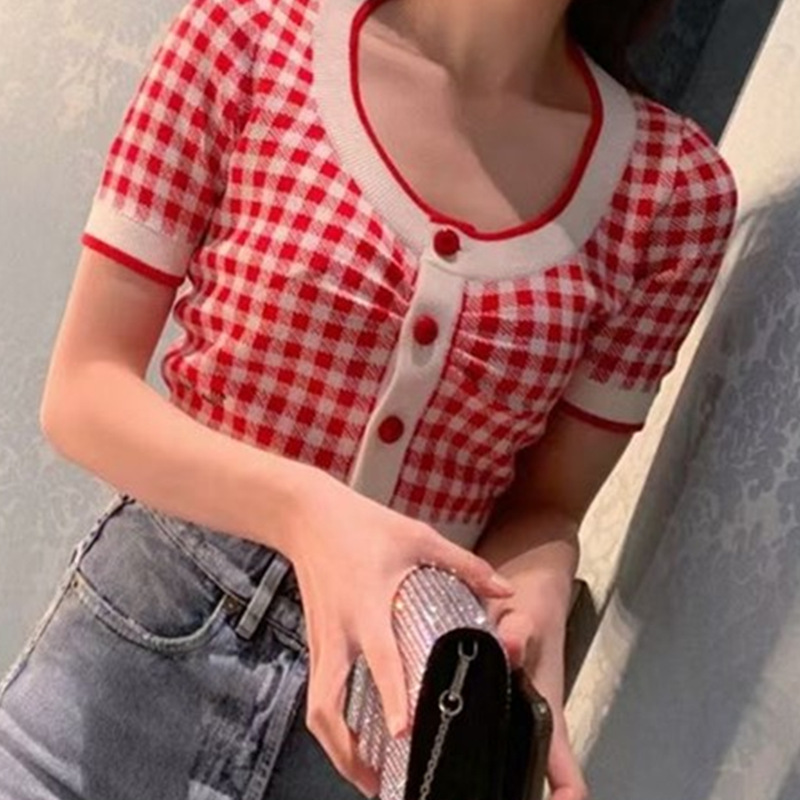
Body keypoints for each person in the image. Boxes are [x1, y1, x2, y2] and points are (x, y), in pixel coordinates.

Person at [0, 0, 738, 798]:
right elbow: (83, 392)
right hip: (125, 670)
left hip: (377, 725)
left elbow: (549, 505)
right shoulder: (248, 34)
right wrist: (306, 512)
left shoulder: (671, 194)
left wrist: (535, 601)